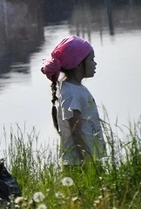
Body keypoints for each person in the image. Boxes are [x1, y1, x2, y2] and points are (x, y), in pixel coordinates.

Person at [40, 35, 105, 166]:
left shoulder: (77, 89)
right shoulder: (71, 93)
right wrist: (86, 161)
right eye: (91, 60)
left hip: (87, 159)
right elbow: (75, 131)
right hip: (78, 163)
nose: (95, 63)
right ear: (78, 64)